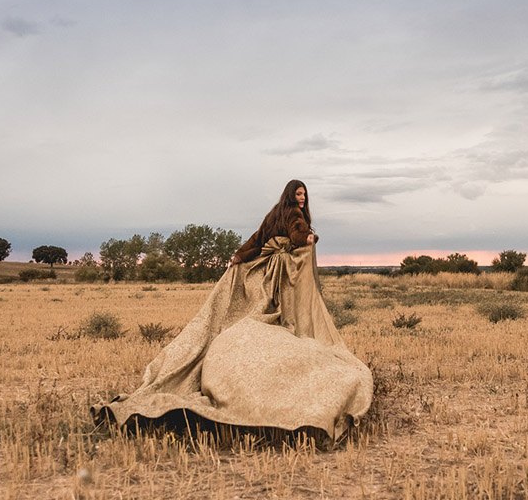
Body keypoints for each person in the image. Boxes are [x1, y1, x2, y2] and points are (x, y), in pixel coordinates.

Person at [93, 180, 373, 440]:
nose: (301, 199)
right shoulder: (292, 214)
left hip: (265, 269)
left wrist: (240, 255)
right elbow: (297, 233)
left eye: (304, 195)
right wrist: (308, 240)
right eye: (298, 194)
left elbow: (257, 237)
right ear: (290, 195)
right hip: (276, 274)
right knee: (282, 316)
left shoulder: (274, 213)